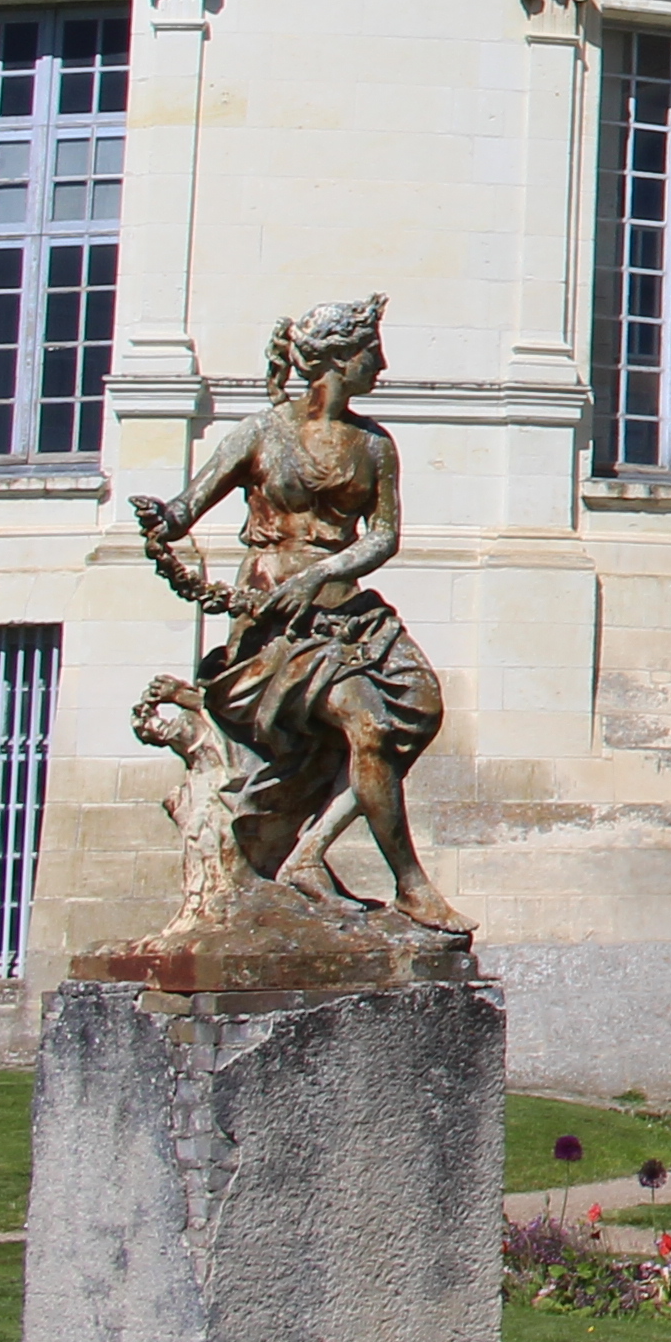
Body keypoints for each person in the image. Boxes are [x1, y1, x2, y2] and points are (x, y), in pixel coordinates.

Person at [129, 295, 460, 931]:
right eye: (372, 354)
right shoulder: (262, 432)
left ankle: (309, 854)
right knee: (367, 723)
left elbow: (382, 536)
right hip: (273, 621)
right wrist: (161, 521)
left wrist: (325, 571)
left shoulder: (374, 444)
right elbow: (187, 507)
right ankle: (411, 885)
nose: (382, 366)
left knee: (420, 706)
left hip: (344, 609)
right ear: (336, 362)